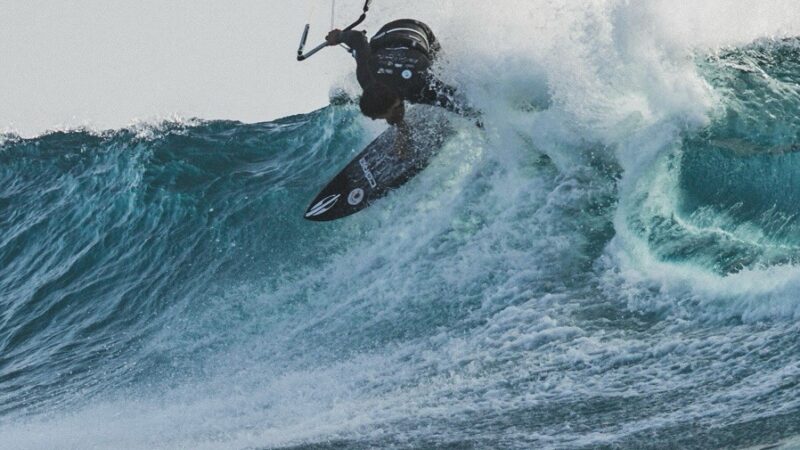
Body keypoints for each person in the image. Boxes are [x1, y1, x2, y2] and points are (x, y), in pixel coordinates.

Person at [325, 19, 479, 127]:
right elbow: (358, 38)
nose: (376, 120)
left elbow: (460, 102)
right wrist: (339, 36)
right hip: (386, 33)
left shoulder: (421, 88)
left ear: (396, 103)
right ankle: (402, 128)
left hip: (420, 31)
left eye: (383, 116)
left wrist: (483, 122)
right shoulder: (366, 77)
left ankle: (401, 126)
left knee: (444, 68)